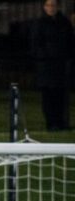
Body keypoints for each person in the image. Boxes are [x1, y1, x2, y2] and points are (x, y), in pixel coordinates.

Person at [31, 0, 75, 131]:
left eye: (53, 5)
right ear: (44, 7)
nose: (51, 8)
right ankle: (51, 123)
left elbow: (70, 42)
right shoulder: (39, 23)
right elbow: (35, 44)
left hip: (61, 65)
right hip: (46, 66)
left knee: (60, 96)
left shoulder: (64, 22)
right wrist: (45, 56)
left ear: (58, 7)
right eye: (49, 5)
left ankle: (61, 122)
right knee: (48, 96)